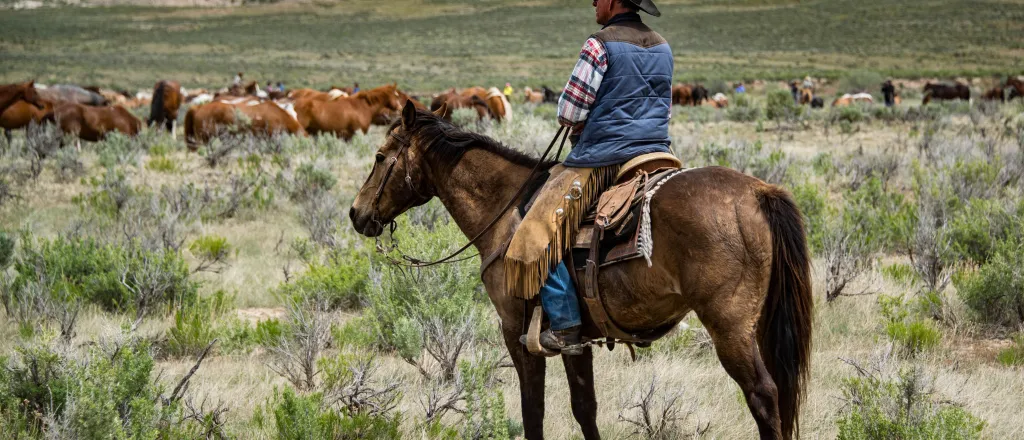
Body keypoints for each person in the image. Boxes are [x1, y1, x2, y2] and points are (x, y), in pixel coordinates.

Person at [505, 0, 672, 355]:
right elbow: (662, 106)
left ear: (613, 1)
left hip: (604, 158)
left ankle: (565, 326)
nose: (594, 2)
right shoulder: (662, 44)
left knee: (535, 227)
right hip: (657, 155)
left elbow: (569, 110)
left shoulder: (599, 44)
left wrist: (584, 118)